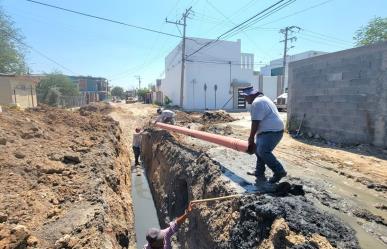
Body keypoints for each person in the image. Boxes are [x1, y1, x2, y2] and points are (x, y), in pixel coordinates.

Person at [241, 86, 287, 184]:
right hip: (269, 130)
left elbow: (255, 122)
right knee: (258, 151)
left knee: (263, 151)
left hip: (272, 131)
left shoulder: (257, 103)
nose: (245, 99)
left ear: (252, 95)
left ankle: (279, 171)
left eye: (246, 97)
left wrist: (251, 138)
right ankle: (259, 172)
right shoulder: (263, 99)